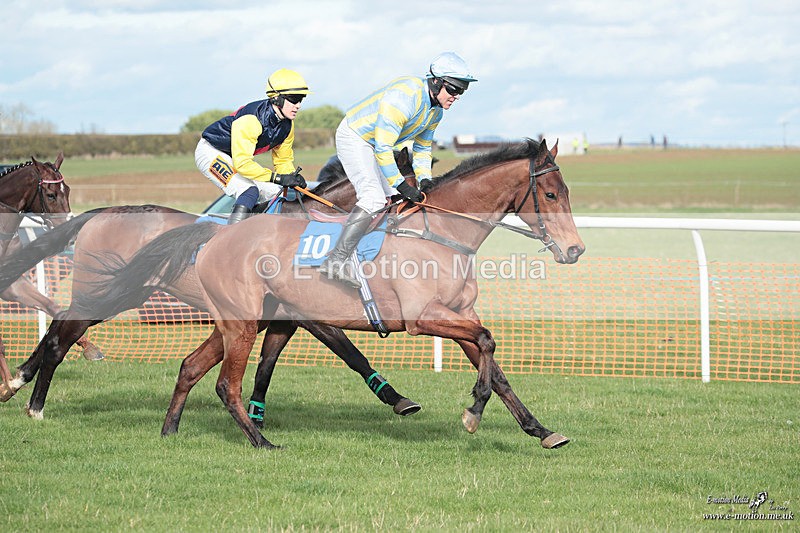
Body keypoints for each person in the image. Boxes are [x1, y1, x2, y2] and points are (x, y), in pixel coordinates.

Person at [319, 52, 477, 288]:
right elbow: (383, 148)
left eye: (462, 90)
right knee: (373, 198)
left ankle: (378, 255)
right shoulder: (404, 98)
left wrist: (425, 180)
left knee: (395, 199)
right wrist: (401, 184)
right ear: (436, 82)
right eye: (454, 89)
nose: (457, 96)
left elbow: (422, 148)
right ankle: (336, 260)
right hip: (356, 137)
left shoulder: (436, 111)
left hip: (376, 143)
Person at [195, 68, 310, 224]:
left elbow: (282, 161)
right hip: (211, 151)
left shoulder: (287, 126)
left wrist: (292, 177)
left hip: (235, 157)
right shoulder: (251, 120)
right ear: (276, 98)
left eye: (301, 99)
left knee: (275, 193)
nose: (298, 105)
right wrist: (278, 178)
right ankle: (232, 234)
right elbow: (242, 164)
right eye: (294, 99)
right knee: (249, 191)